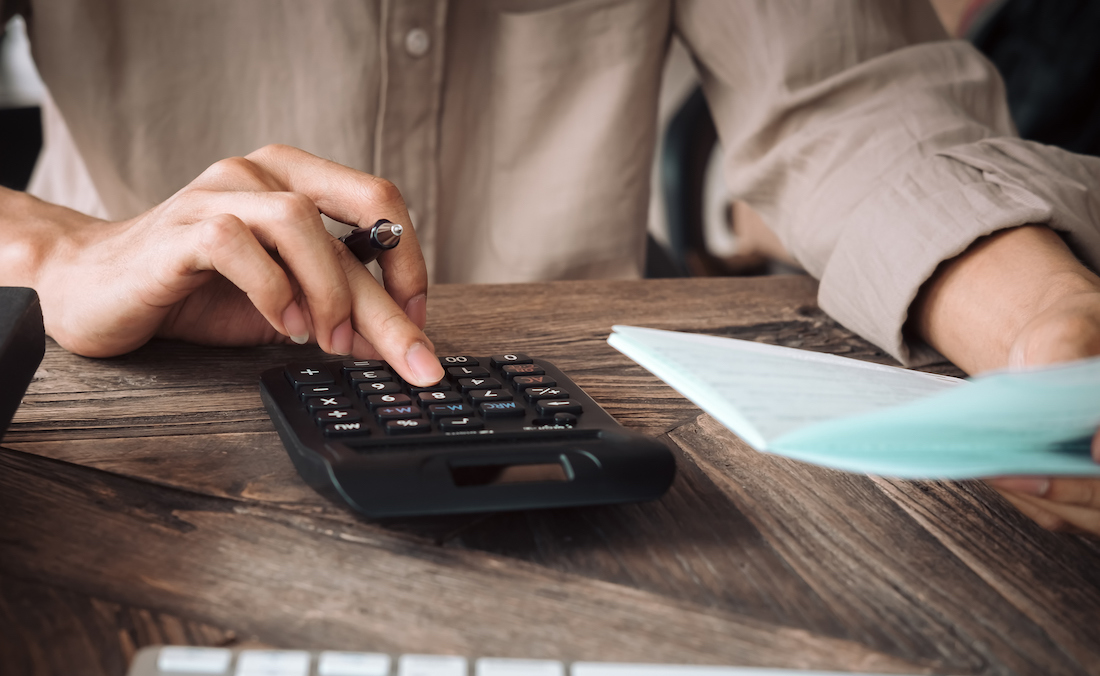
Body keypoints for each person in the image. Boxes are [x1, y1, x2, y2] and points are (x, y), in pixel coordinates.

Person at [1, 0, 1098, 534]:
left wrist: (1047, 315)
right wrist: (59, 247)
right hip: (119, 400)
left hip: (606, 435)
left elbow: (848, 96)